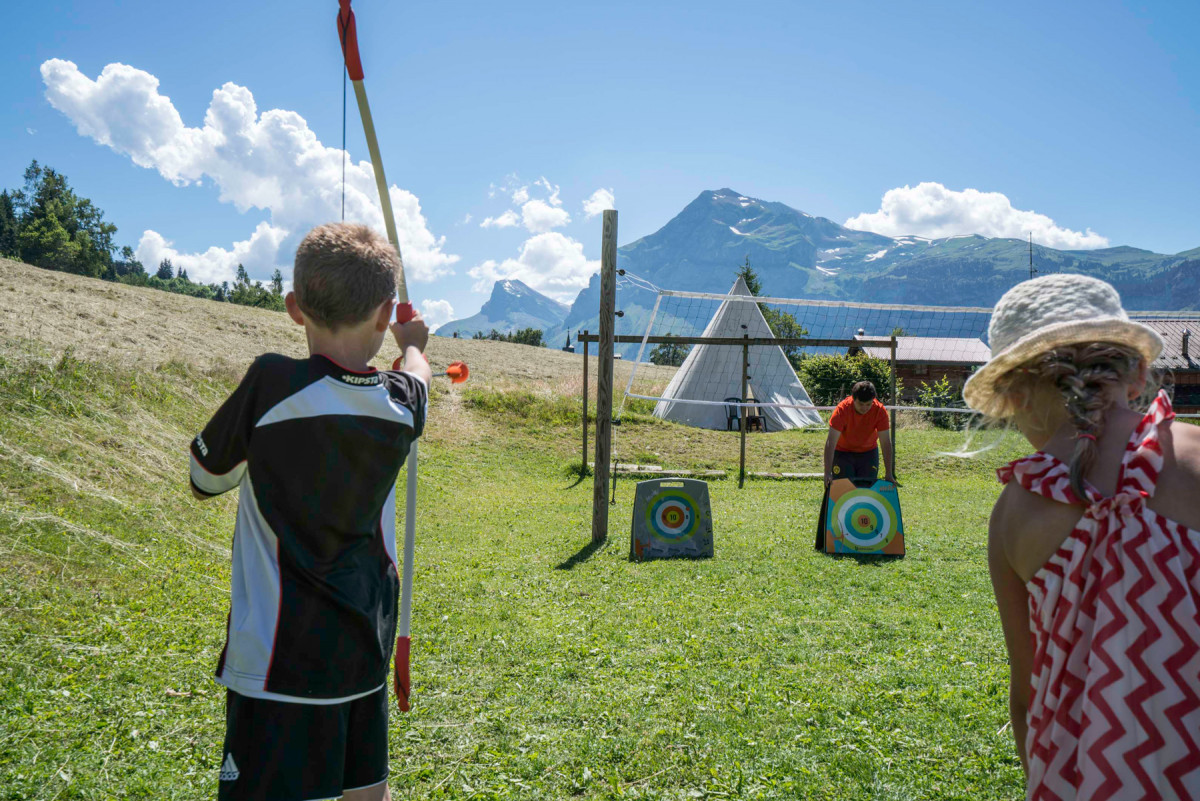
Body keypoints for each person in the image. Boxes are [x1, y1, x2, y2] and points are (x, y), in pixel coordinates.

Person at [188, 223, 431, 801]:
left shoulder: (272, 382)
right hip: (364, 653)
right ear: (382, 318)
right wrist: (414, 340)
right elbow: (417, 376)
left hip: (279, 666)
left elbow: (204, 480)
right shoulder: (399, 403)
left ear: (295, 308)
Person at [965, 273, 1200, 799]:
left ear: (1015, 395)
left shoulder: (1014, 513)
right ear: (1138, 374)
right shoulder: (1196, 455)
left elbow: (1028, 698)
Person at [823, 380, 895, 486]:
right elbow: (831, 442)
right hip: (842, 453)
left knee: (866, 491)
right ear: (853, 399)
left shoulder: (880, 411)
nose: (865, 408)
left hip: (868, 454)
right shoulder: (841, 410)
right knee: (844, 490)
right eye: (861, 404)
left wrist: (888, 473)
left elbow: (885, 443)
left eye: (868, 404)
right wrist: (827, 472)